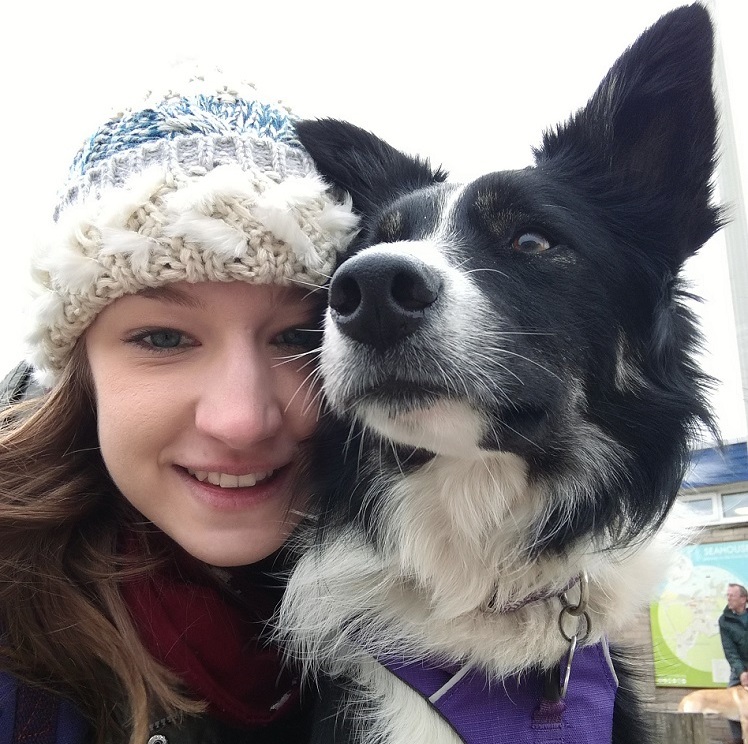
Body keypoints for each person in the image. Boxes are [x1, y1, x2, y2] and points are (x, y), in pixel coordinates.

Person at [0, 69, 357, 744]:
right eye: (164, 338)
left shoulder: (464, 618)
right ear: (81, 371)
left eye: (298, 337)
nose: (242, 419)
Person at [719, 583, 748, 743]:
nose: (728, 598)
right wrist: (741, 672)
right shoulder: (725, 620)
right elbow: (729, 649)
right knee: (732, 702)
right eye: (727, 595)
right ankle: (738, 740)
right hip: (739, 668)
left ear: (743, 599)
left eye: (732, 595)